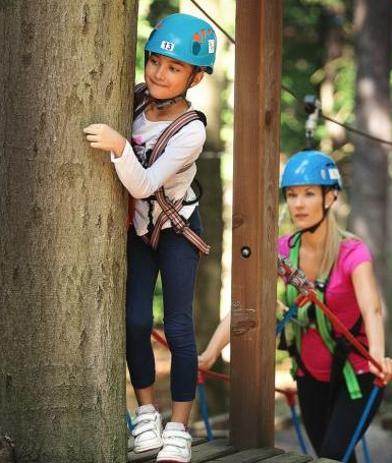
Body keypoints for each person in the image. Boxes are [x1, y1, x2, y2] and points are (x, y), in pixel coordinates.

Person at [198, 150, 392, 462]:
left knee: (332, 455)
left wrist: (378, 358)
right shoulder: (281, 251)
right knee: (333, 457)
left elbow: (373, 309)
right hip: (309, 375)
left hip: (359, 375)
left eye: (308, 194)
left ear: (330, 197)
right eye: (291, 195)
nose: (298, 204)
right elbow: (247, 304)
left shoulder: (352, 253)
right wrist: (209, 354)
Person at [84, 13, 217, 463]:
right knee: (135, 321)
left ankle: (179, 426)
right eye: (155, 61)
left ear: (195, 77)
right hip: (139, 231)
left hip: (177, 230)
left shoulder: (192, 130)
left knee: (178, 326)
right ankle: (146, 414)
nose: (160, 73)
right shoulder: (138, 101)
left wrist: (119, 146)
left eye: (174, 67)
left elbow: (142, 184)